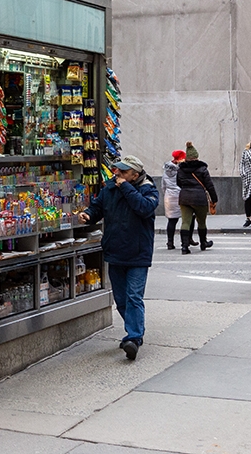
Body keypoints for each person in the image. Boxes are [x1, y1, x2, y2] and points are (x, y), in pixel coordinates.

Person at [78, 155, 158, 361]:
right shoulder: (110, 189)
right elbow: (97, 207)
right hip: (115, 251)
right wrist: (88, 214)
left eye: (123, 172)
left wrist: (126, 188)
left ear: (135, 175)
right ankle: (134, 330)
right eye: (117, 171)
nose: (117, 174)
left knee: (133, 296)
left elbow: (144, 208)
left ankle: (134, 337)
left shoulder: (147, 189)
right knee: (121, 299)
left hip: (138, 253)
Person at [176, 141, 218, 255]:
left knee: (185, 222)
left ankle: (184, 247)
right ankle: (203, 243)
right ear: (196, 157)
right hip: (199, 198)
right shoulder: (202, 169)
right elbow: (209, 185)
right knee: (201, 221)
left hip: (184, 198)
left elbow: (178, 183)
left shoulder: (180, 170)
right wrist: (214, 199)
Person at [161, 149, 186, 249]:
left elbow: (163, 186)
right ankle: (185, 241)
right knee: (186, 220)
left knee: (172, 221)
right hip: (181, 195)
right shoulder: (181, 170)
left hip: (169, 196)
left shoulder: (166, 171)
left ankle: (170, 242)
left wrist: (167, 194)